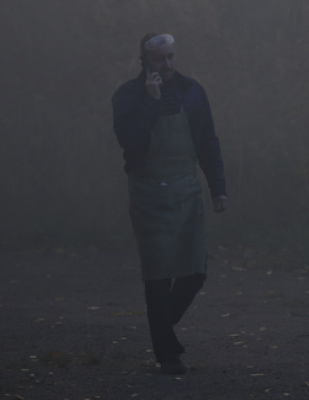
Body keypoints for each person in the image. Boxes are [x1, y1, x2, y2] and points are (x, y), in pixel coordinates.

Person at [111, 32, 228, 375]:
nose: (168, 64)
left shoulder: (192, 91)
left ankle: (162, 331)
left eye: (171, 56)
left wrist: (218, 187)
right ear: (145, 61)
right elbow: (129, 143)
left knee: (194, 273)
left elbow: (208, 141)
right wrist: (151, 101)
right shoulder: (128, 95)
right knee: (158, 277)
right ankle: (167, 354)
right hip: (149, 194)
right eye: (160, 59)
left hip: (186, 192)